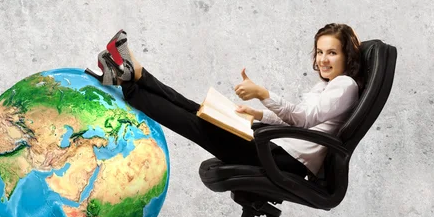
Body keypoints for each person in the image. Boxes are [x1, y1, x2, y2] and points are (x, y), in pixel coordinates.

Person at [85, 24, 362, 178]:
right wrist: (256, 114)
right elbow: (301, 122)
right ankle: (132, 76)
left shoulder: (345, 85)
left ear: (347, 55)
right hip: (275, 146)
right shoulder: (328, 86)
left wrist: (263, 94)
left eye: (332, 53)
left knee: (194, 123)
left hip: (284, 159)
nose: (323, 60)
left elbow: (303, 119)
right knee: (198, 110)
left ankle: (130, 79)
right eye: (320, 52)